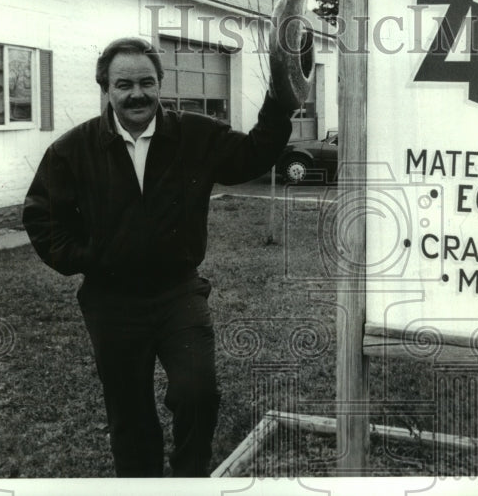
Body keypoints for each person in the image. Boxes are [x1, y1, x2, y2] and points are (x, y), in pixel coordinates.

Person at [22, 36, 293, 477]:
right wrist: (89, 256)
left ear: (160, 84)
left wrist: (281, 97)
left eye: (147, 82)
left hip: (178, 294)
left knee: (197, 393)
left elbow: (254, 154)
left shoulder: (195, 135)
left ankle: (190, 478)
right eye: (123, 84)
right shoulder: (74, 150)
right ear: (106, 90)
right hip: (111, 303)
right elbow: (40, 216)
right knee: (129, 416)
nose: (137, 94)